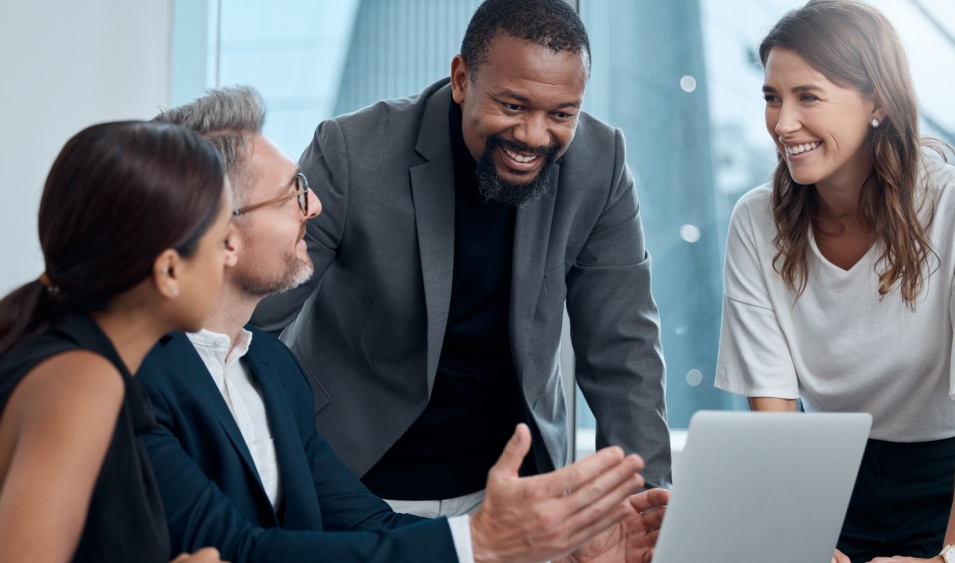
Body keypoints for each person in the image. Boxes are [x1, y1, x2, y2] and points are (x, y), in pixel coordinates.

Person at [137, 84, 669, 563]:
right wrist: (483, 541)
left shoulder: (273, 373)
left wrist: (552, 549)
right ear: (223, 238)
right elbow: (242, 550)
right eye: (289, 195)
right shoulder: (133, 384)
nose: (315, 205)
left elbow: (372, 526)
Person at [250, 0, 670, 515]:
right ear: (461, 79)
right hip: (351, 481)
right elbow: (254, 316)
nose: (535, 136)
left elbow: (623, 347)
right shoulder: (353, 150)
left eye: (562, 114)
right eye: (513, 106)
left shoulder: (600, 165)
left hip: (510, 491)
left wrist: (644, 504)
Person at [714, 1, 955, 562]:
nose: (783, 123)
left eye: (808, 97)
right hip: (828, 479)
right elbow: (774, 411)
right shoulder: (755, 221)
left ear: (879, 103)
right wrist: (804, 535)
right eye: (772, 98)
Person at [0, 121, 231, 563]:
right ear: (169, 271)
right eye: (221, 241)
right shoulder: (82, 383)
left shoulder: (69, 363)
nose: (230, 255)